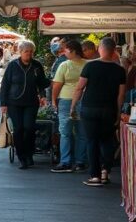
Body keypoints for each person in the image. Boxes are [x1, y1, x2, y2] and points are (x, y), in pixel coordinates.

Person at [71, 37, 127, 187]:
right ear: (114, 50)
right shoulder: (120, 70)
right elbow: (121, 95)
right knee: (107, 141)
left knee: (92, 141)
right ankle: (105, 172)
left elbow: (79, 87)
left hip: (89, 108)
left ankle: (94, 175)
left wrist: (73, 105)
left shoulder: (90, 66)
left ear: (100, 48)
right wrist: (118, 111)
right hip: (109, 110)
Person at [0, 40, 50, 169]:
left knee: (29, 128)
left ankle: (29, 154)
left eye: (31, 51)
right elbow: (5, 85)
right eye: (26, 51)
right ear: (20, 52)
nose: (29, 54)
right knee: (19, 129)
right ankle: (21, 157)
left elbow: (41, 83)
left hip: (31, 102)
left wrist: (43, 95)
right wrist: (3, 104)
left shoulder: (36, 65)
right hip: (13, 102)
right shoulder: (12, 65)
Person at [51, 39, 87, 173]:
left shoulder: (64, 65)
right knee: (81, 133)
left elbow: (57, 85)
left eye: (65, 49)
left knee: (65, 133)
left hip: (66, 100)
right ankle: (80, 162)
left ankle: (65, 162)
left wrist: (54, 101)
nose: (63, 52)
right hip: (83, 100)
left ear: (72, 50)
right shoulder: (88, 64)